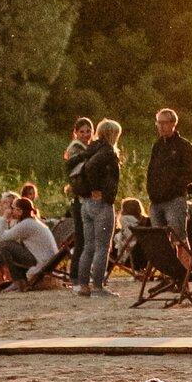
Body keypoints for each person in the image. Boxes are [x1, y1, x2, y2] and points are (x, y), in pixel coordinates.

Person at [73, 118, 122, 297]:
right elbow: (92, 167)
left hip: (86, 204)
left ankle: (83, 285)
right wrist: (96, 189)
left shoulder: (90, 148)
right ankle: (98, 287)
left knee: (89, 246)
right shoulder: (107, 151)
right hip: (101, 204)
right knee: (103, 247)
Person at [146, 108, 192, 246]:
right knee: (160, 242)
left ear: (173, 123)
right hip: (156, 201)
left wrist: (172, 188)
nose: (161, 126)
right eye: (158, 123)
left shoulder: (184, 146)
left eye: (164, 122)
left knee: (179, 239)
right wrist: (151, 192)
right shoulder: (157, 146)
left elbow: (190, 173)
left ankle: (185, 268)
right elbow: (150, 172)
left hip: (174, 200)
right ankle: (168, 267)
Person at [0, 198, 58, 290]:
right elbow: (5, 237)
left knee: (5, 246)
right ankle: (18, 280)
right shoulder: (29, 222)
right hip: (43, 259)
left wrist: (4, 217)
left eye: (13, 208)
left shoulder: (27, 224)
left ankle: (18, 281)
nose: (11, 211)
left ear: (20, 211)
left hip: (41, 262)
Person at [63, 117, 95, 279]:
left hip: (83, 197)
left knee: (85, 238)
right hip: (79, 199)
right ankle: (76, 274)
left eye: (88, 131)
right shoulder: (76, 148)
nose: (85, 134)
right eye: (82, 131)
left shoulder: (88, 147)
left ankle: (80, 272)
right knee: (82, 238)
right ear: (75, 133)